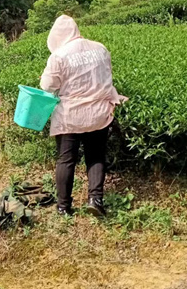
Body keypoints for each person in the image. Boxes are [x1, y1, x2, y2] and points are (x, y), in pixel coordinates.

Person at [40, 15, 126, 217]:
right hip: (99, 114)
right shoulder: (100, 48)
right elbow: (107, 75)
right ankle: (95, 199)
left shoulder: (59, 56)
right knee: (95, 156)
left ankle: (63, 207)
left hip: (71, 116)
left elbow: (47, 86)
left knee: (66, 160)